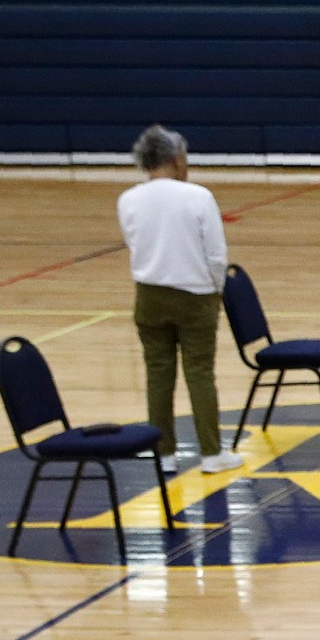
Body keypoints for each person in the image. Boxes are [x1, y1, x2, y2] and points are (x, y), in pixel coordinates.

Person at [117, 124, 239, 475]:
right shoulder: (198, 197)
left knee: (158, 374)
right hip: (195, 295)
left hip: (148, 295)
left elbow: (134, 244)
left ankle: (164, 452)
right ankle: (212, 452)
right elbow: (216, 255)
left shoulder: (127, 199)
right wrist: (215, 290)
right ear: (177, 159)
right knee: (199, 372)